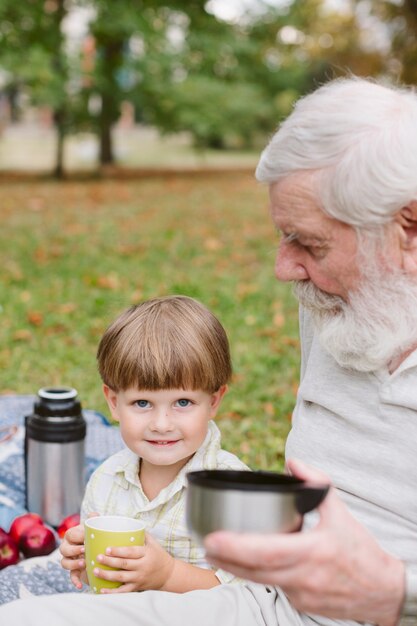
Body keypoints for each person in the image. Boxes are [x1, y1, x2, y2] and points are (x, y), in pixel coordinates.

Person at [0, 75, 416, 625]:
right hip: (261, 604)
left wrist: (396, 593)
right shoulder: (334, 297)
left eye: (311, 244)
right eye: (284, 235)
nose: (284, 268)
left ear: (408, 228)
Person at [61, 295, 249, 593]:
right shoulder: (107, 480)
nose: (162, 424)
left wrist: (167, 576)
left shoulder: (233, 489)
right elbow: (105, 580)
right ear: (113, 402)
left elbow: (247, 593)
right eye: (143, 402)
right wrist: (85, 564)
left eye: (183, 402)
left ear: (213, 402)